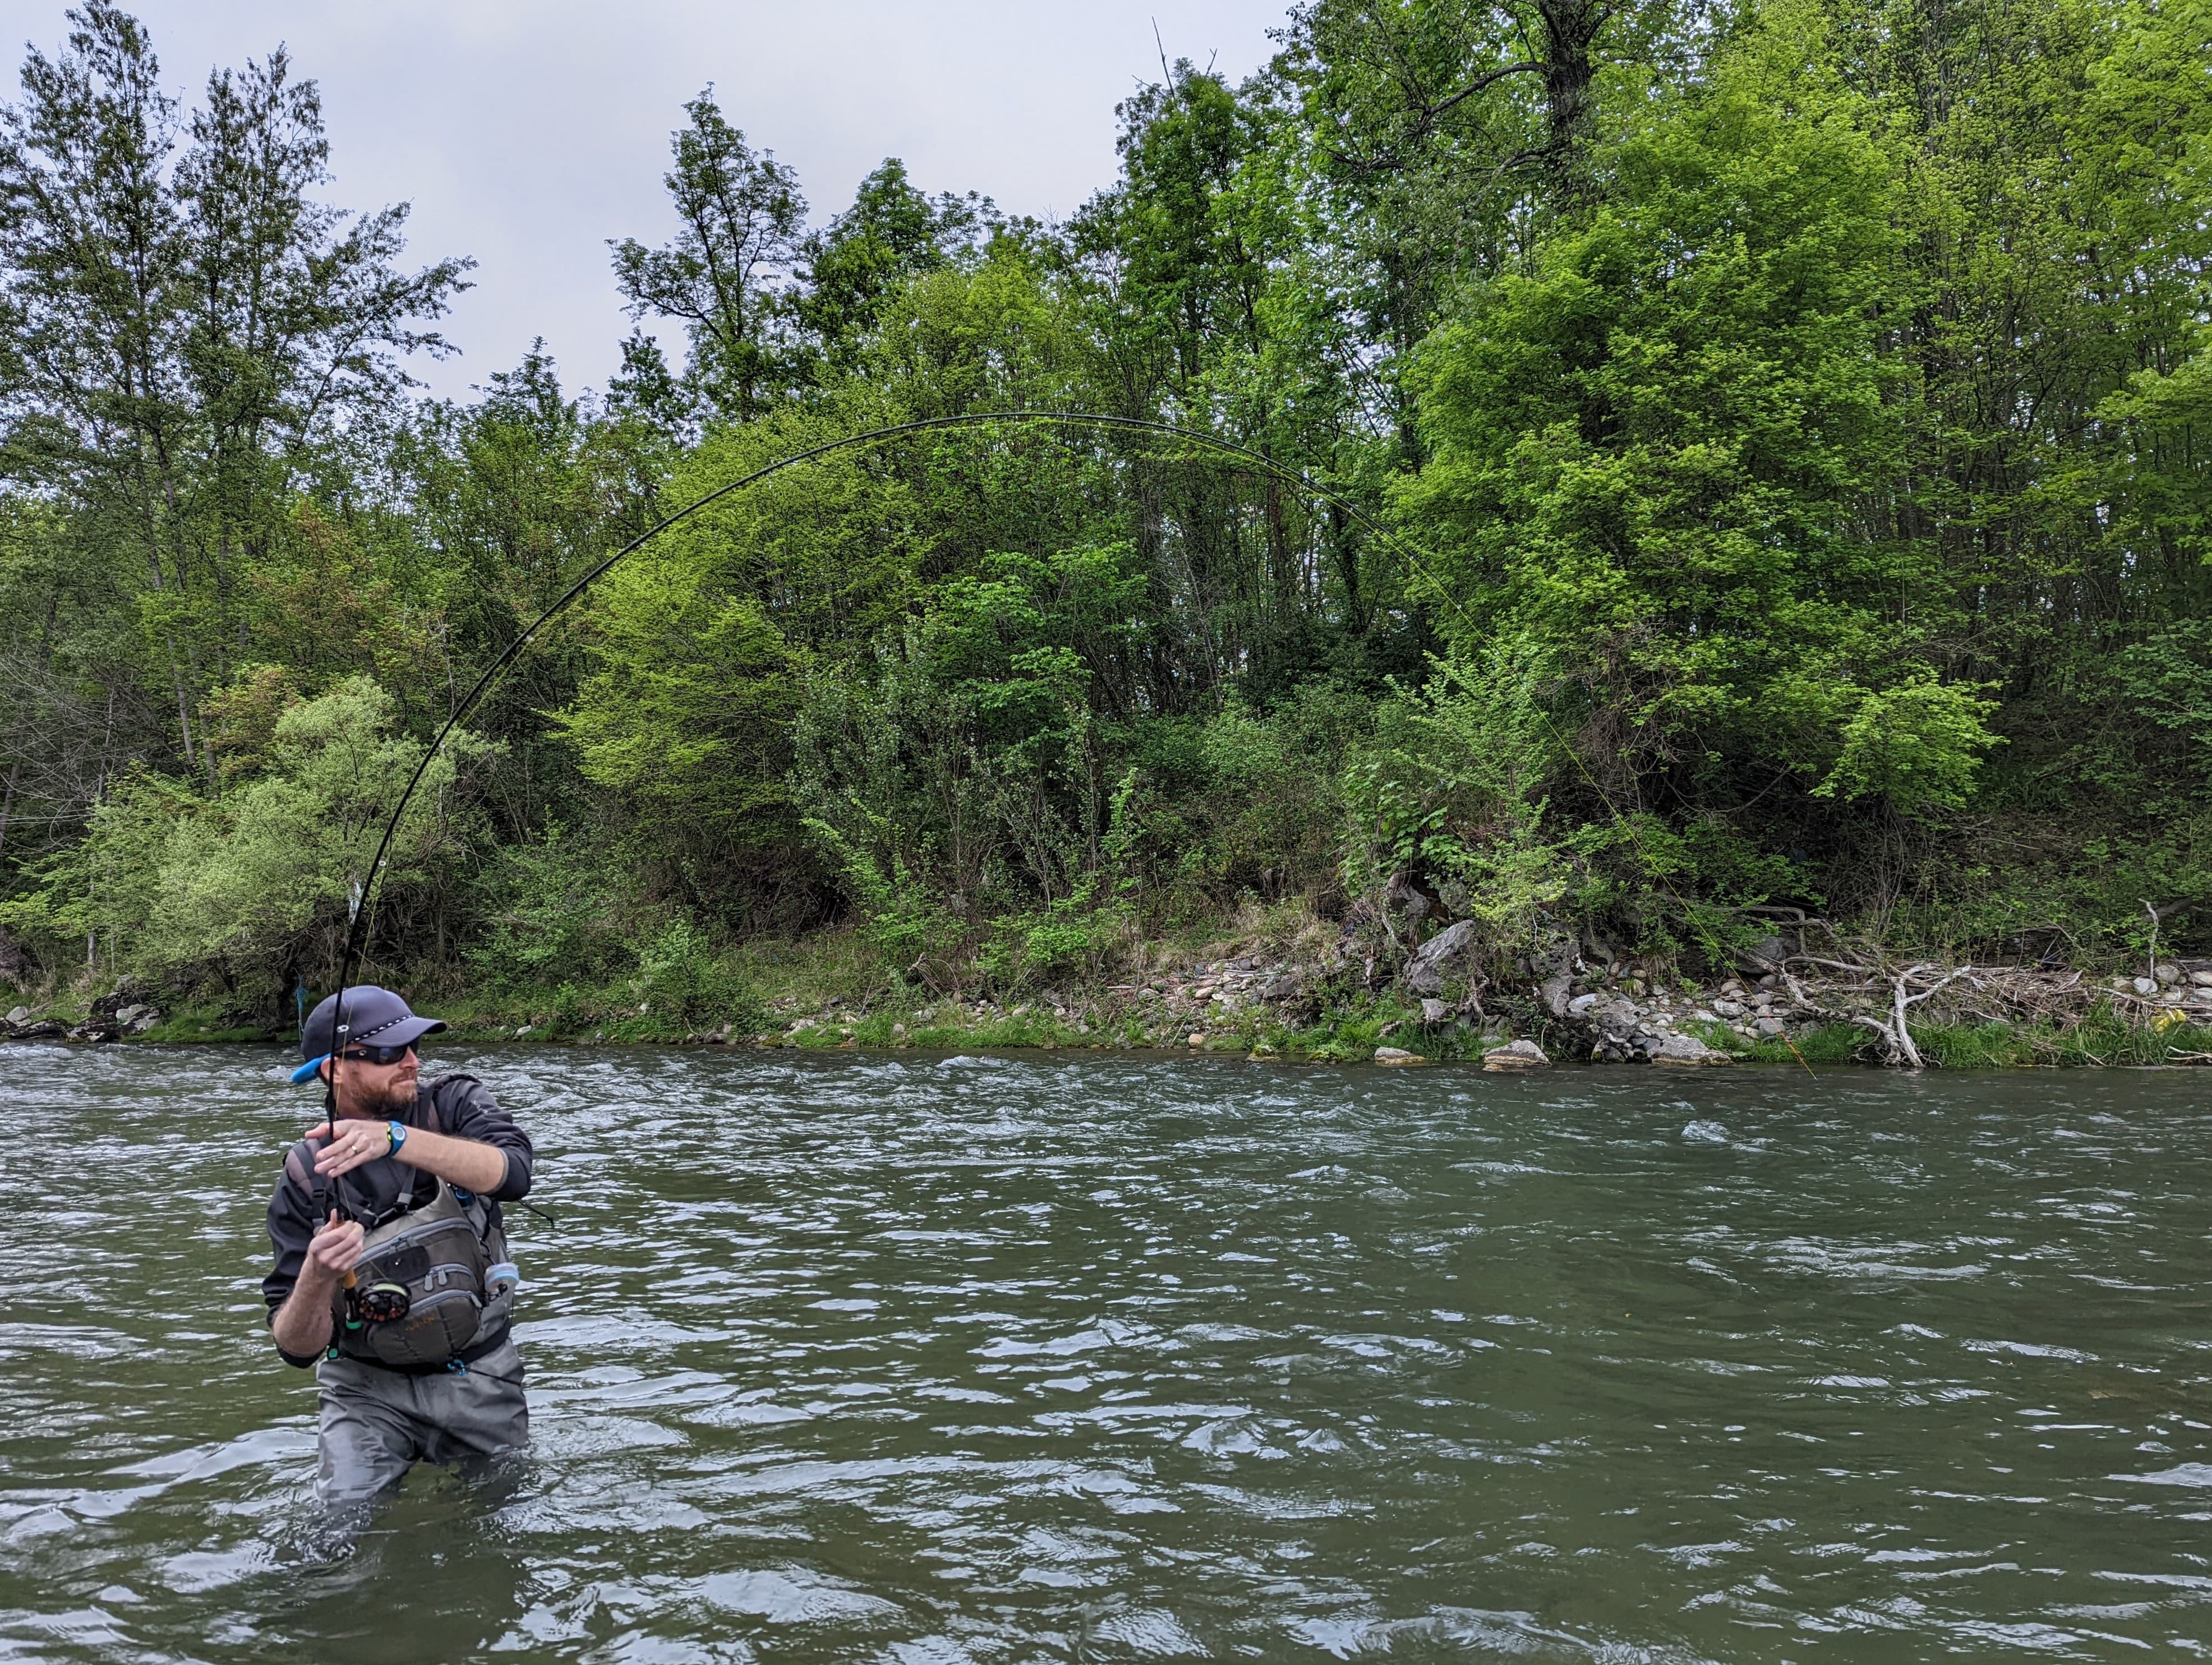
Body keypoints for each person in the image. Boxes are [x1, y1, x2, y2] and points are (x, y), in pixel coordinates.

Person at [262, 985, 536, 1504]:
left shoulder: (452, 1104)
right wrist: (317, 1276)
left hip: (480, 1375)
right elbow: (297, 1348)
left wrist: (397, 1138)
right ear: (335, 1069)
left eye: (414, 1046)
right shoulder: (303, 1176)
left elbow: (513, 1173)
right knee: (335, 1536)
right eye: (389, 1052)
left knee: (502, 1520)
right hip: (364, 1391)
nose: (411, 1061)